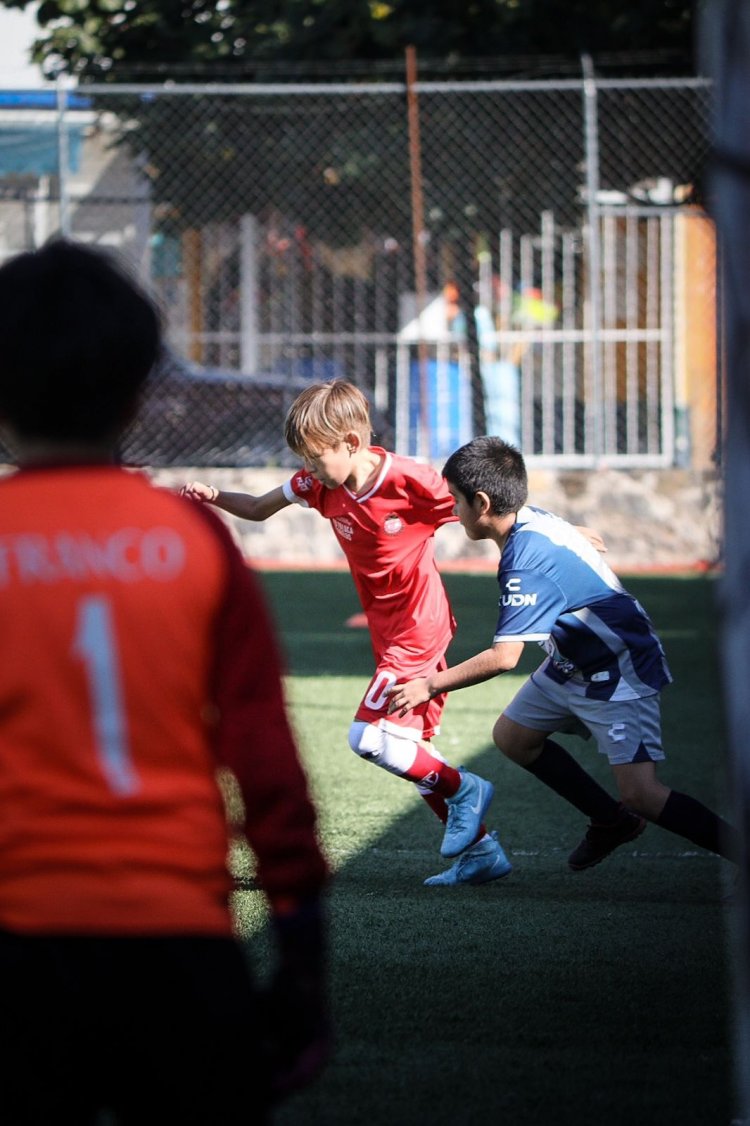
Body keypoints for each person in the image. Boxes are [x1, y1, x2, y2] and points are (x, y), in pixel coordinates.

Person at [0, 238, 330, 1126]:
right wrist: (300, 943)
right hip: (176, 942)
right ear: (140, 390)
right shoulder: (191, 540)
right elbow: (263, 753)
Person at [182, 379, 509, 888]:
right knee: (406, 745)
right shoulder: (319, 486)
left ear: (351, 444)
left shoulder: (411, 480)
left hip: (418, 628)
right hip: (389, 632)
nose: (308, 471)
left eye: (314, 459)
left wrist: (554, 535)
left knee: (369, 738)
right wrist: (215, 496)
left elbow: (488, 511)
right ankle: (481, 851)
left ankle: (464, 789)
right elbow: (259, 507)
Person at [386, 435, 739, 877]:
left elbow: (504, 658)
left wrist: (429, 684)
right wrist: (574, 534)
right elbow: (567, 538)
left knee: (643, 795)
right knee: (513, 738)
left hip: (619, 668)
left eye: (456, 502)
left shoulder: (524, 562)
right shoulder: (528, 518)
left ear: (481, 502)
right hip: (574, 660)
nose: (453, 513)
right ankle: (611, 822)